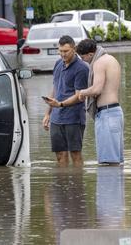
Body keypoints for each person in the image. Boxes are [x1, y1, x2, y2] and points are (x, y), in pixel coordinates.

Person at [42, 35, 89, 167]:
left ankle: (77, 186)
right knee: (60, 155)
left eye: (66, 51)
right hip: (56, 118)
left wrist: (60, 104)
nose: (62, 54)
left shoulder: (82, 68)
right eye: (60, 51)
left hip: (73, 118)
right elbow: (55, 89)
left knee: (75, 154)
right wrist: (47, 114)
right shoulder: (58, 63)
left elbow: (79, 95)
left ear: (73, 49)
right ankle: (62, 186)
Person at [76, 39, 124, 165]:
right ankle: (116, 185)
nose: (83, 61)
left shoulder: (99, 63)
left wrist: (82, 92)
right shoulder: (112, 59)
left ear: (90, 54)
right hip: (115, 112)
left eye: (83, 57)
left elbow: (97, 89)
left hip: (106, 114)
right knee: (115, 161)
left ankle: (108, 185)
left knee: (107, 162)